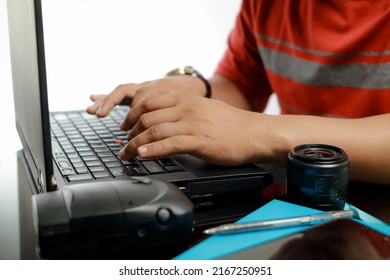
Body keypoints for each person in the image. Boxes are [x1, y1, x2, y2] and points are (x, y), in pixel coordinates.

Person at [86, 0, 390, 185]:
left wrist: (262, 133)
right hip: (304, 193)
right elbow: (242, 86)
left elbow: (254, 128)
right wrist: (196, 91)